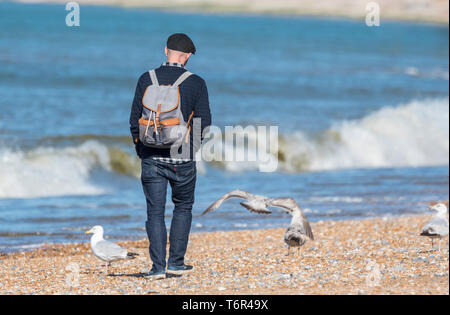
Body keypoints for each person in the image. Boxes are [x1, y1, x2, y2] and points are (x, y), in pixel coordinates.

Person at [129, 33, 211, 279]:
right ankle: (175, 263)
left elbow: (134, 119)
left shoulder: (147, 78)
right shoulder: (196, 82)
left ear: (166, 50)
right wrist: (191, 148)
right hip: (182, 156)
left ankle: (157, 268)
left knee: (154, 212)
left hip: (151, 156)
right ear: (187, 57)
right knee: (183, 208)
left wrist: (141, 148)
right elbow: (204, 122)